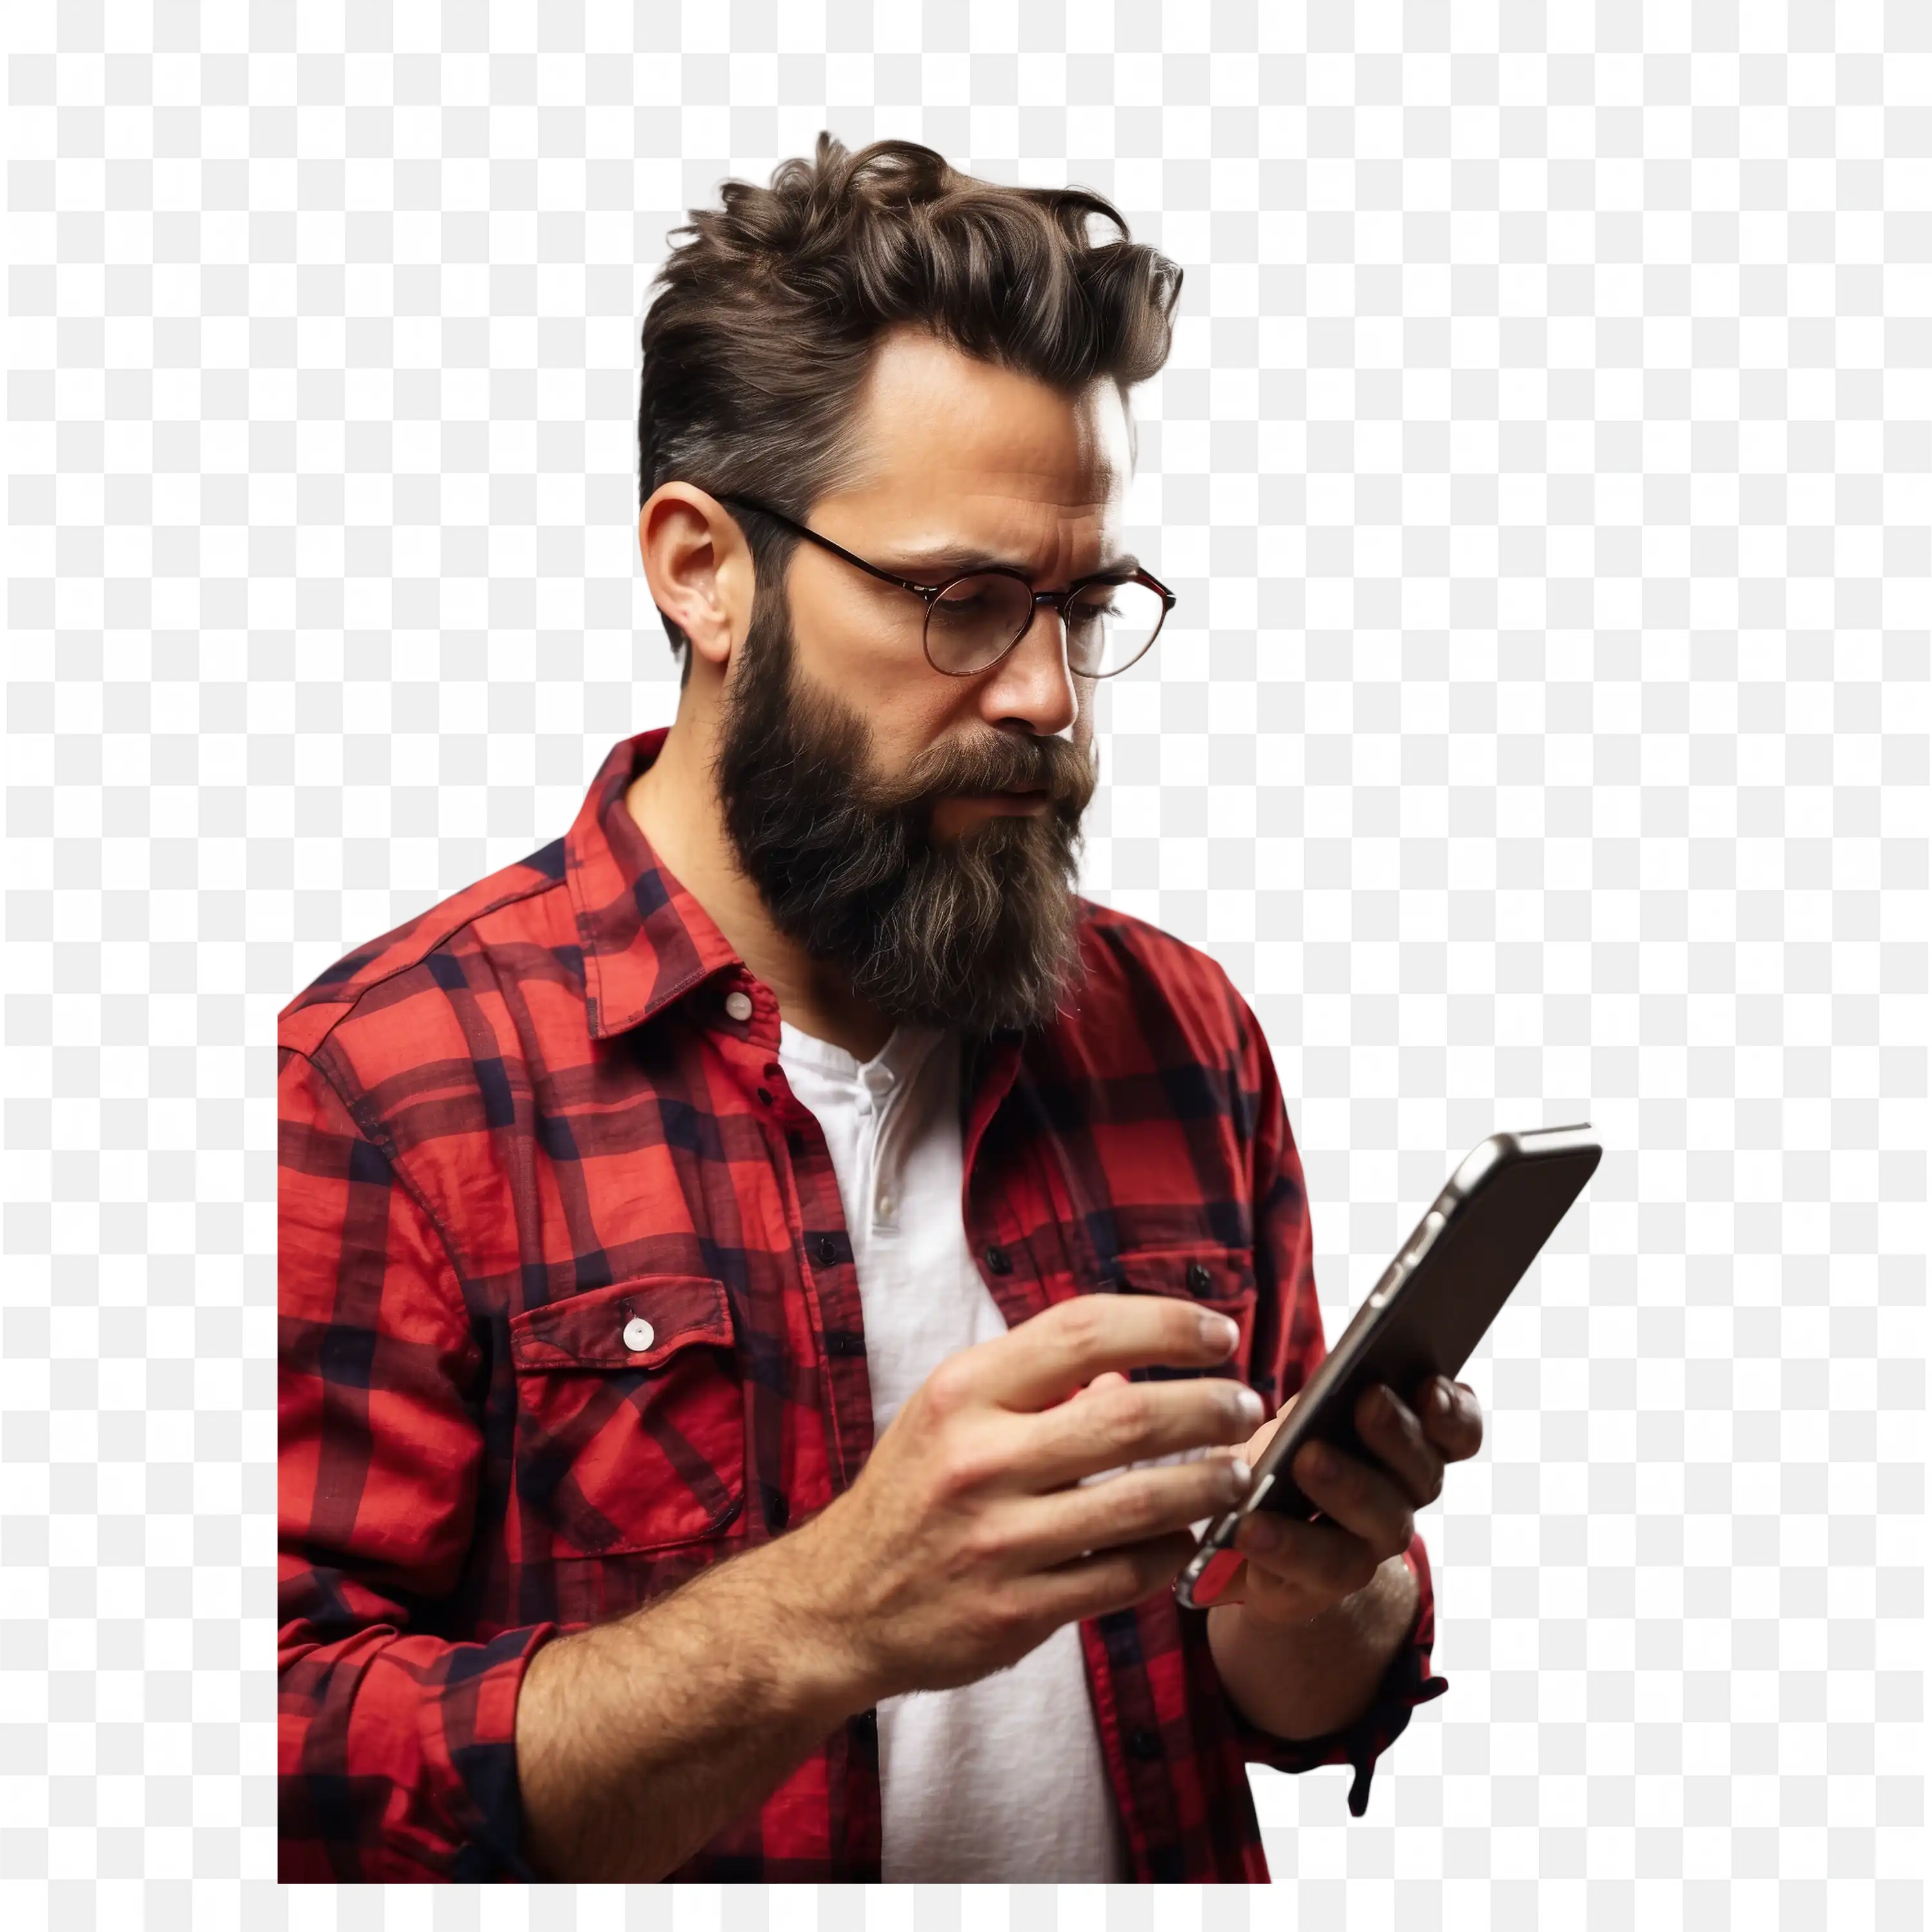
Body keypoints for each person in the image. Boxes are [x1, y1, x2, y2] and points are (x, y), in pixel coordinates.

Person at [277, 131, 1484, 1885]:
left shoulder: (1180, 1034)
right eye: (963, 602)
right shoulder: (381, 1087)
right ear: (702, 569)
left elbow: (1281, 1702)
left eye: (1086, 605)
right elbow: (268, 1759)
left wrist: (1331, 1584)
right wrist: (830, 1616)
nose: (1046, 698)